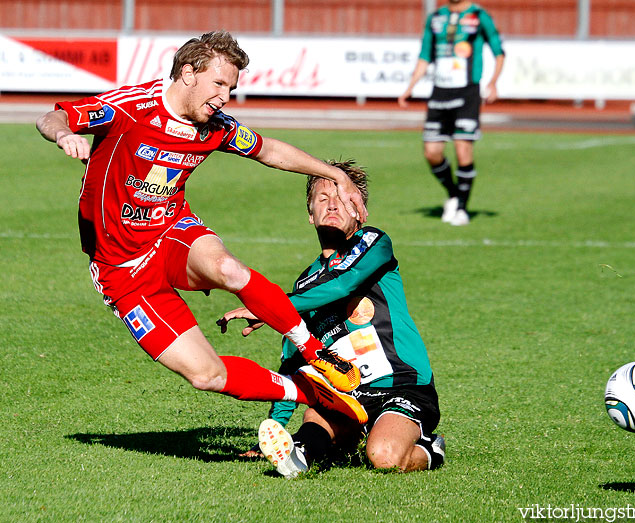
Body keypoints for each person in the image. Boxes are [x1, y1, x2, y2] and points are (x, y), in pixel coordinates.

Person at [35, 31, 369, 425]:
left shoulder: (216, 125)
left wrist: (333, 173)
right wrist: (64, 135)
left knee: (228, 268)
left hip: (170, 233)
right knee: (206, 375)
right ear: (189, 73)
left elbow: (268, 150)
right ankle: (310, 391)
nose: (225, 97)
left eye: (231, 88)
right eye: (220, 84)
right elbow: (52, 116)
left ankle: (315, 352)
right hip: (120, 271)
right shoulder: (132, 108)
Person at [219, 160, 444, 477]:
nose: (333, 204)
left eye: (342, 198)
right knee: (316, 422)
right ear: (310, 214)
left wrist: (273, 307)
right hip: (346, 396)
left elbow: (343, 282)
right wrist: (276, 425)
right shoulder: (303, 287)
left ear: (359, 210)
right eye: (322, 198)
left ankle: (430, 448)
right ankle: (299, 451)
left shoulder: (373, 243)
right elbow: (292, 360)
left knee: (384, 456)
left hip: (403, 386)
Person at [398, 0, 505, 226]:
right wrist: (410, 87)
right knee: (432, 152)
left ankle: (462, 209)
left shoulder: (478, 15)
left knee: (462, 149)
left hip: (467, 92)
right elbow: (425, 55)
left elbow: (498, 50)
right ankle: (454, 194)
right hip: (439, 94)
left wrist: (493, 81)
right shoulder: (436, 18)